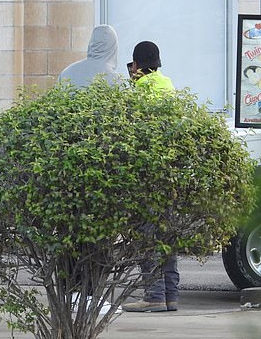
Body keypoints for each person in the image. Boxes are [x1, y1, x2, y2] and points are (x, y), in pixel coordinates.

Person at [58, 24, 121, 315]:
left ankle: (69, 294)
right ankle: (94, 297)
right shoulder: (115, 80)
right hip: (101, 173)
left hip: (68, 169)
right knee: (99, 237)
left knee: (69, 233)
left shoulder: (67, 73)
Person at [122, 41, 179, 313]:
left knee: (147, 234)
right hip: (169, 174)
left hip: (147, 174)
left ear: (136, 66)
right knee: (166, 235)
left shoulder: (139, 92)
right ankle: (171, 295)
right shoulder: (168, 86)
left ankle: (153, 296)